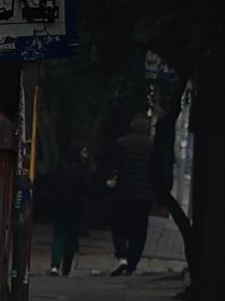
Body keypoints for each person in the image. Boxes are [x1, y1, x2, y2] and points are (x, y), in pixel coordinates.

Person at [104, 113, 159, 275]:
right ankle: (132, 262)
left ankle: (122, 256)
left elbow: (114, 167)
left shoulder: (122, 143)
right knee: (139, 230)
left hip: (123, 193)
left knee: (119, 226)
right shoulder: (152, 145)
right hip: (144, 196)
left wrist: (111, 187)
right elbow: (156, 171)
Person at [36, 145, 94, 277]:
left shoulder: (59, 168)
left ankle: (55, 265)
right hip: (76, 209)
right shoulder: (83, 171)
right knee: (71, 238)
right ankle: (66, 268)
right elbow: (88, 189)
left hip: (59, 207)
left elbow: (50, 185)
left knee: (58, 236)